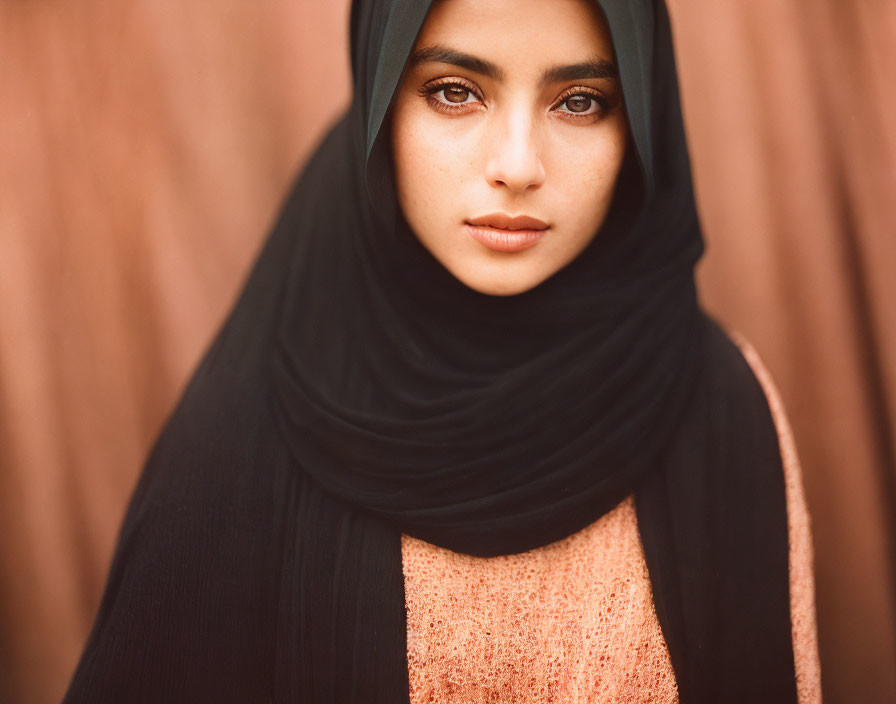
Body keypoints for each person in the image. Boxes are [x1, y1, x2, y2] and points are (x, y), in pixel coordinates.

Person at [62, 0, 821, 702]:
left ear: (645, 121)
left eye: (581, 101)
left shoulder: (721, 412)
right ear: (382, 95)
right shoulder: (238, 441)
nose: (519, 165)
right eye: (456, 91)